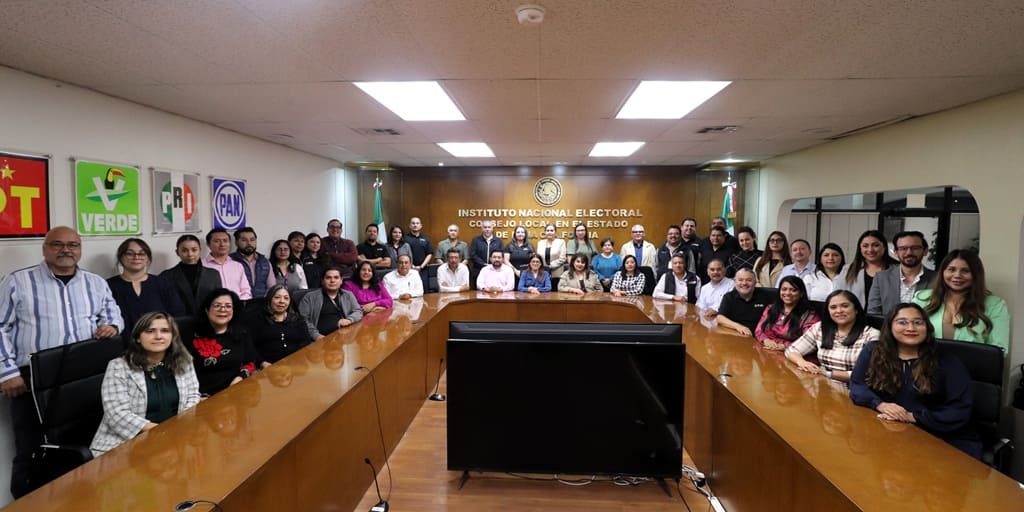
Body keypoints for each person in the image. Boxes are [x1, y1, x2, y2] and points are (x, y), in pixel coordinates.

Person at [0, 226, 124, 498]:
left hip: (85, 375)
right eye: (57, 244)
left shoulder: (95, 282)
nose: (66, 249)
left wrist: (111, 326)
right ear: (44, 249)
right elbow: (0, 327)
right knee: (32, 448)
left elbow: (113, 314)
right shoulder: (18, 281)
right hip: (33, 378)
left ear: (80, 249)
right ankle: (27, 504)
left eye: (73, 244)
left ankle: (78, 499)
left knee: (81, 440)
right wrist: (6, 372)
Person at [850, 303, 980, 458]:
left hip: (938, 437)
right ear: (890, 326)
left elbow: (959, 409)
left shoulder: (946, 361)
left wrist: (912, 416)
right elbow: (857, 385)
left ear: (927, 327)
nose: (911, 328)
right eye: (902, 322)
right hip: (890, 431)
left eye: (918, 322)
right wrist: (880, 404)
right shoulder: (873, 351)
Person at [90, 312, 201, 456]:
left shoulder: (184, 361)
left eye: (165, 331)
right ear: (137, 337)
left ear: (173, 336)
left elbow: (193, 396)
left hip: (174, 440)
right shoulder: (119, 366)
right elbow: (116, 413)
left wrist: (177, 429)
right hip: (126, 445)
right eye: (150, 331)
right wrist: (160, 431)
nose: (158, 336)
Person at [913, 250, 1010, 349]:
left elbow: (999, 349)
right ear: (943, 272)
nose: (957, 275)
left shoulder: (995, 304)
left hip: (972, 364)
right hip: (927, 363)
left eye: (965, 271)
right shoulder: (922, 299)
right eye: (951, 269)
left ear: (976, 275)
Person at [786, 290, 880, 383]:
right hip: (822, 383)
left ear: (856, 309)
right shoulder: (820, 328)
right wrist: (802, 362)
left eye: (845, 306)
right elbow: (791, 350)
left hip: (853, 389)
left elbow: (869, 374)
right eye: (833, 307)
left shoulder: (872, 335)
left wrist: (827, 373)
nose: (839, 311)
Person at [187, 289, 267, 396]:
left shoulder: (241, 333)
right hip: (206, 398)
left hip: (236, 393)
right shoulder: (192, 337)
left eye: (228, 306)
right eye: (217, 305)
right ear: (207, 310)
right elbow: (185, 377)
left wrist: (241, 376)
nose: (223, 310)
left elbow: (250, 362)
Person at [107, 238, 185, 336]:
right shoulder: (108, 286)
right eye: (130, 253)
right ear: (120, 257)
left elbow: (178, 315)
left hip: (160, 344)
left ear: (148, 258)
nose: (136, 257)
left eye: (141, 253)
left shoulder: (162, 283)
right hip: (123, 346)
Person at [867, 231, 935, 317]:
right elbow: (873, 314)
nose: (909, 253)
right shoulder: (881, 278)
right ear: (895, 252)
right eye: (903, 248)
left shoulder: (937, 279)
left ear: (925, 251)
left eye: (915, 248)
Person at [244, 284, 312, 363]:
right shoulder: (257, 320)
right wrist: (262, 363)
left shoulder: (297, 319)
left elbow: (306, 342)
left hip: (295, 364)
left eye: (286, 298)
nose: (282, 301)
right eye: (277, 297)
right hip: (269, 366)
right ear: (269, 299)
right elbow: (250, 347)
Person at [161, 234, 223, 315]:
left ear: (200, 250)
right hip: (178, 322)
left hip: (208, 321)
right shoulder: (166, 276)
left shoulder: (213, 274)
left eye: (194, 250)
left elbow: (218, 300)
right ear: (177, 252)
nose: (190, 254)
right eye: (184, 250)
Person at [755, 276, 819, 350]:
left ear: (801, 293)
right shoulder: (771, 308)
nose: (787, 293)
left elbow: (809, 343)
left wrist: (784, 346)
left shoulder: (810, 316)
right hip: (767, 349)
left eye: (793, 290)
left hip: (792, 354)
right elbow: (758, 330)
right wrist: (765, 340)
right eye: (784, 289)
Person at [717, 268, 786, 338]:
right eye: (740, 280)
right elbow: (720, 318)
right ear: (735, 282)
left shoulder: (768, 295)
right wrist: (738, 327)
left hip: (763, 338)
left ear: (755, 282)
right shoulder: (729, 297)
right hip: (739, 335)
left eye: (749, 280)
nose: (744, 283)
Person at [834, 230, 895, 307]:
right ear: (860, 248)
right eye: (865, 246)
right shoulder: (848, 269)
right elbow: (838, 296)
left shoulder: (897, 269)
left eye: (876, 245)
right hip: (857, 317)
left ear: (884, 247)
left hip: (889, 317)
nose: (870, 250)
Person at [298, 267, 363, 339]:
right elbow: (303, 320)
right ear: (322, 281)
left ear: (341, 280)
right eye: (328, 278)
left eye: (336, 277)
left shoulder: (348, 295)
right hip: (321, 339)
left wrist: (349, 319)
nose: (332, 280)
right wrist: (316, 336)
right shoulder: (309, 297)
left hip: (344, 337)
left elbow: (358, 311)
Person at [202, 228, 252, 299]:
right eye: (217, 241)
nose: (222, 244)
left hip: (237, 306)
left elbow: (246, 290)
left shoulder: (237, 266)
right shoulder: (202, 265)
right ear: (208, 244)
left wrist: (239, 304)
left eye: (225, 241)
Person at [230, 227, 275, 300]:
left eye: (252, 240)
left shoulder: (264, 261)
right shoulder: (230, 260)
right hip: (239, 304)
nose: (249, 243)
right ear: (236, 242)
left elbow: (272, 287)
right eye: (244, 240)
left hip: (262, 304)